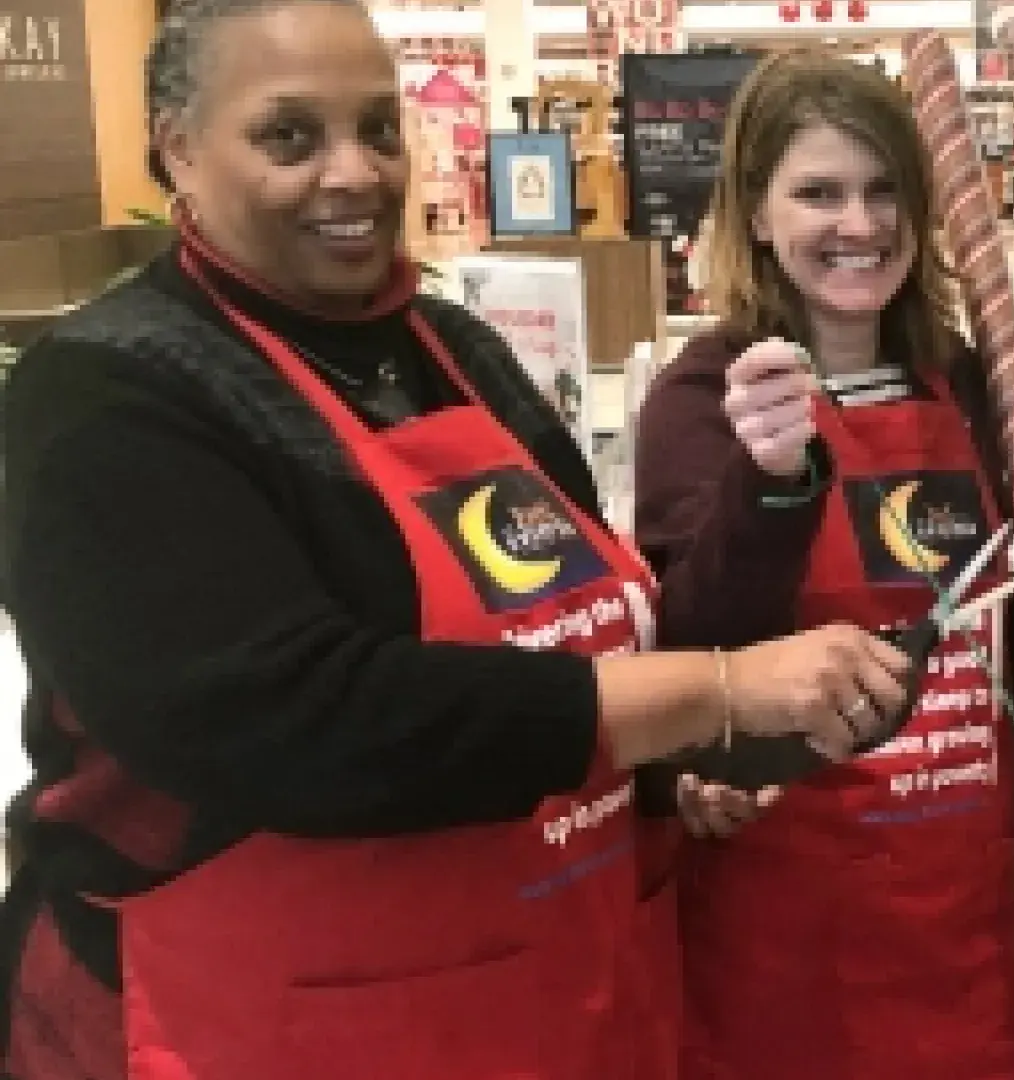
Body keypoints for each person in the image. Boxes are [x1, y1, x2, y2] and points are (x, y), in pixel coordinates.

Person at [0, 3, 909, 1078]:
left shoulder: (456, 349)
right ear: (176, 148)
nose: (354, 173)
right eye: (289, 136)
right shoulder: (111, 396)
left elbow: (598, 626)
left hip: (565, 996)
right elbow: (300, 720)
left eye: (380, 130)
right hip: (277, 1025)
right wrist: (712, 692)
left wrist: (664, 777)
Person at [634, 51, 1014, 1080]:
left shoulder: (973, 382)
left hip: (958, 899)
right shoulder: (702, 400)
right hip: (785, 911)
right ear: (758, 214)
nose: (859, 225)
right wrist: (770, 475)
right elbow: (692, 633)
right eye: (818, 193)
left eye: (882, 189)